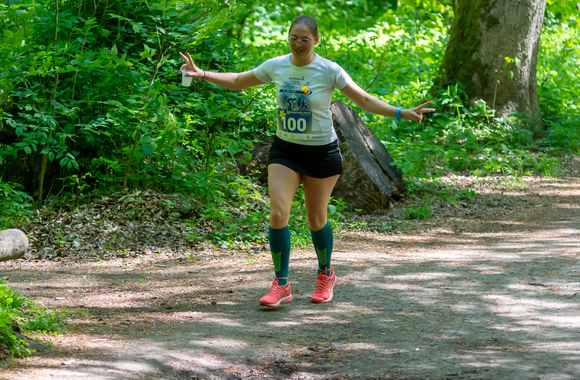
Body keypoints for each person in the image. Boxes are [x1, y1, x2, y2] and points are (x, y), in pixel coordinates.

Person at [179, 16, 434, 307]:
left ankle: (326, 274)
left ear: (315, 40)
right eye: (293, 37)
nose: (298, 44)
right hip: (285, 151)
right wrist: (202, 74)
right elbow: (239, 81)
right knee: (277, 214)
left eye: (304, 39)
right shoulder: (277, 65)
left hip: (321, 153)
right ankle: (281, 284)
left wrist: (401, 112)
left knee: (316, 219)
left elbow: (363, 99)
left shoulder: (329, 70)